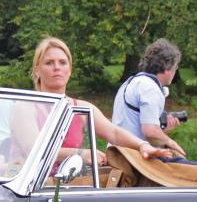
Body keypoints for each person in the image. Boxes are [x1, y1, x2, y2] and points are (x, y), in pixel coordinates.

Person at [13, 37, 162, 168]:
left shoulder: (81, 108)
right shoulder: (26, 106)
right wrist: (79, 154)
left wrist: (143, 145)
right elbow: (34, 150)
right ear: (37, 70)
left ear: (70, 70)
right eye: (49, 63)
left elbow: (114, 133)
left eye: (63, 62)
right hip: (27, 192)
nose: (57, 67)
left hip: (68, 188)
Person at [111, 38, 187, 157]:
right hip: (134, 157)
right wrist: (170, 142)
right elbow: (150, 132)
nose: (175, 71)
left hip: (118, 152)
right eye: (175, 67)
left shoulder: (133, 81)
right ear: (168, 68)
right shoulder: (150, 88)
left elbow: (142, 131)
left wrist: (163, 131)